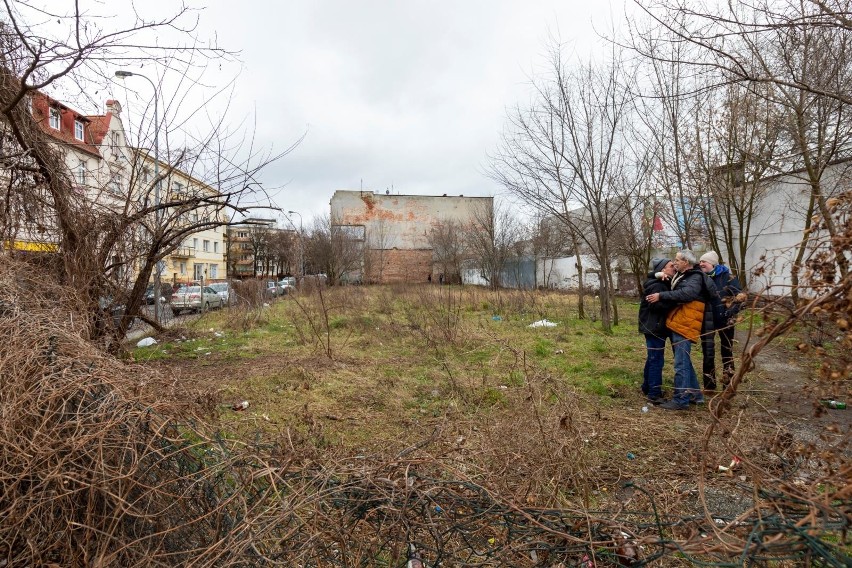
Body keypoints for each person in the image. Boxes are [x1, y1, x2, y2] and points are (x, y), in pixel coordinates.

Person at [646, 249, 720, 410]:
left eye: (677, 260)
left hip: (685, 323)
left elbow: (687, 293)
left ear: (686, 262)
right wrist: (658, 275)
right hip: (681, 322)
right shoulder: (686, 275)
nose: (675, 262)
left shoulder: (694, 277)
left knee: (681, 364)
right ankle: (695, 395)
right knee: (684, 361)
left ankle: (681, 399)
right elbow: (652, 276)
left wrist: (661, 296)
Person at [698, 251, 742, 389]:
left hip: (725, 322)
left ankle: (728, 386)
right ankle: (709, 387)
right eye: (700, 262)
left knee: (727, 352)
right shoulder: (700, 278)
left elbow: (740, 298)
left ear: (712, 263)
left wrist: (728, 313)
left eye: (703, 261)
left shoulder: (728, 277)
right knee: (708, 353)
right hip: (706, 321)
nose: (701, 264)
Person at [638, 258, 677, 404]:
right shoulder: (658, 286)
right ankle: (654, 393)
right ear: (662, 269)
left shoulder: (662, 283)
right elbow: (654, 306)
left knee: (653, 358)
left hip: (654, 326)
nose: (674, 267)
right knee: (656, 360)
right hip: (655, 327)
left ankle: (647, 387)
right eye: (670, 266)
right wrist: (673, 304)